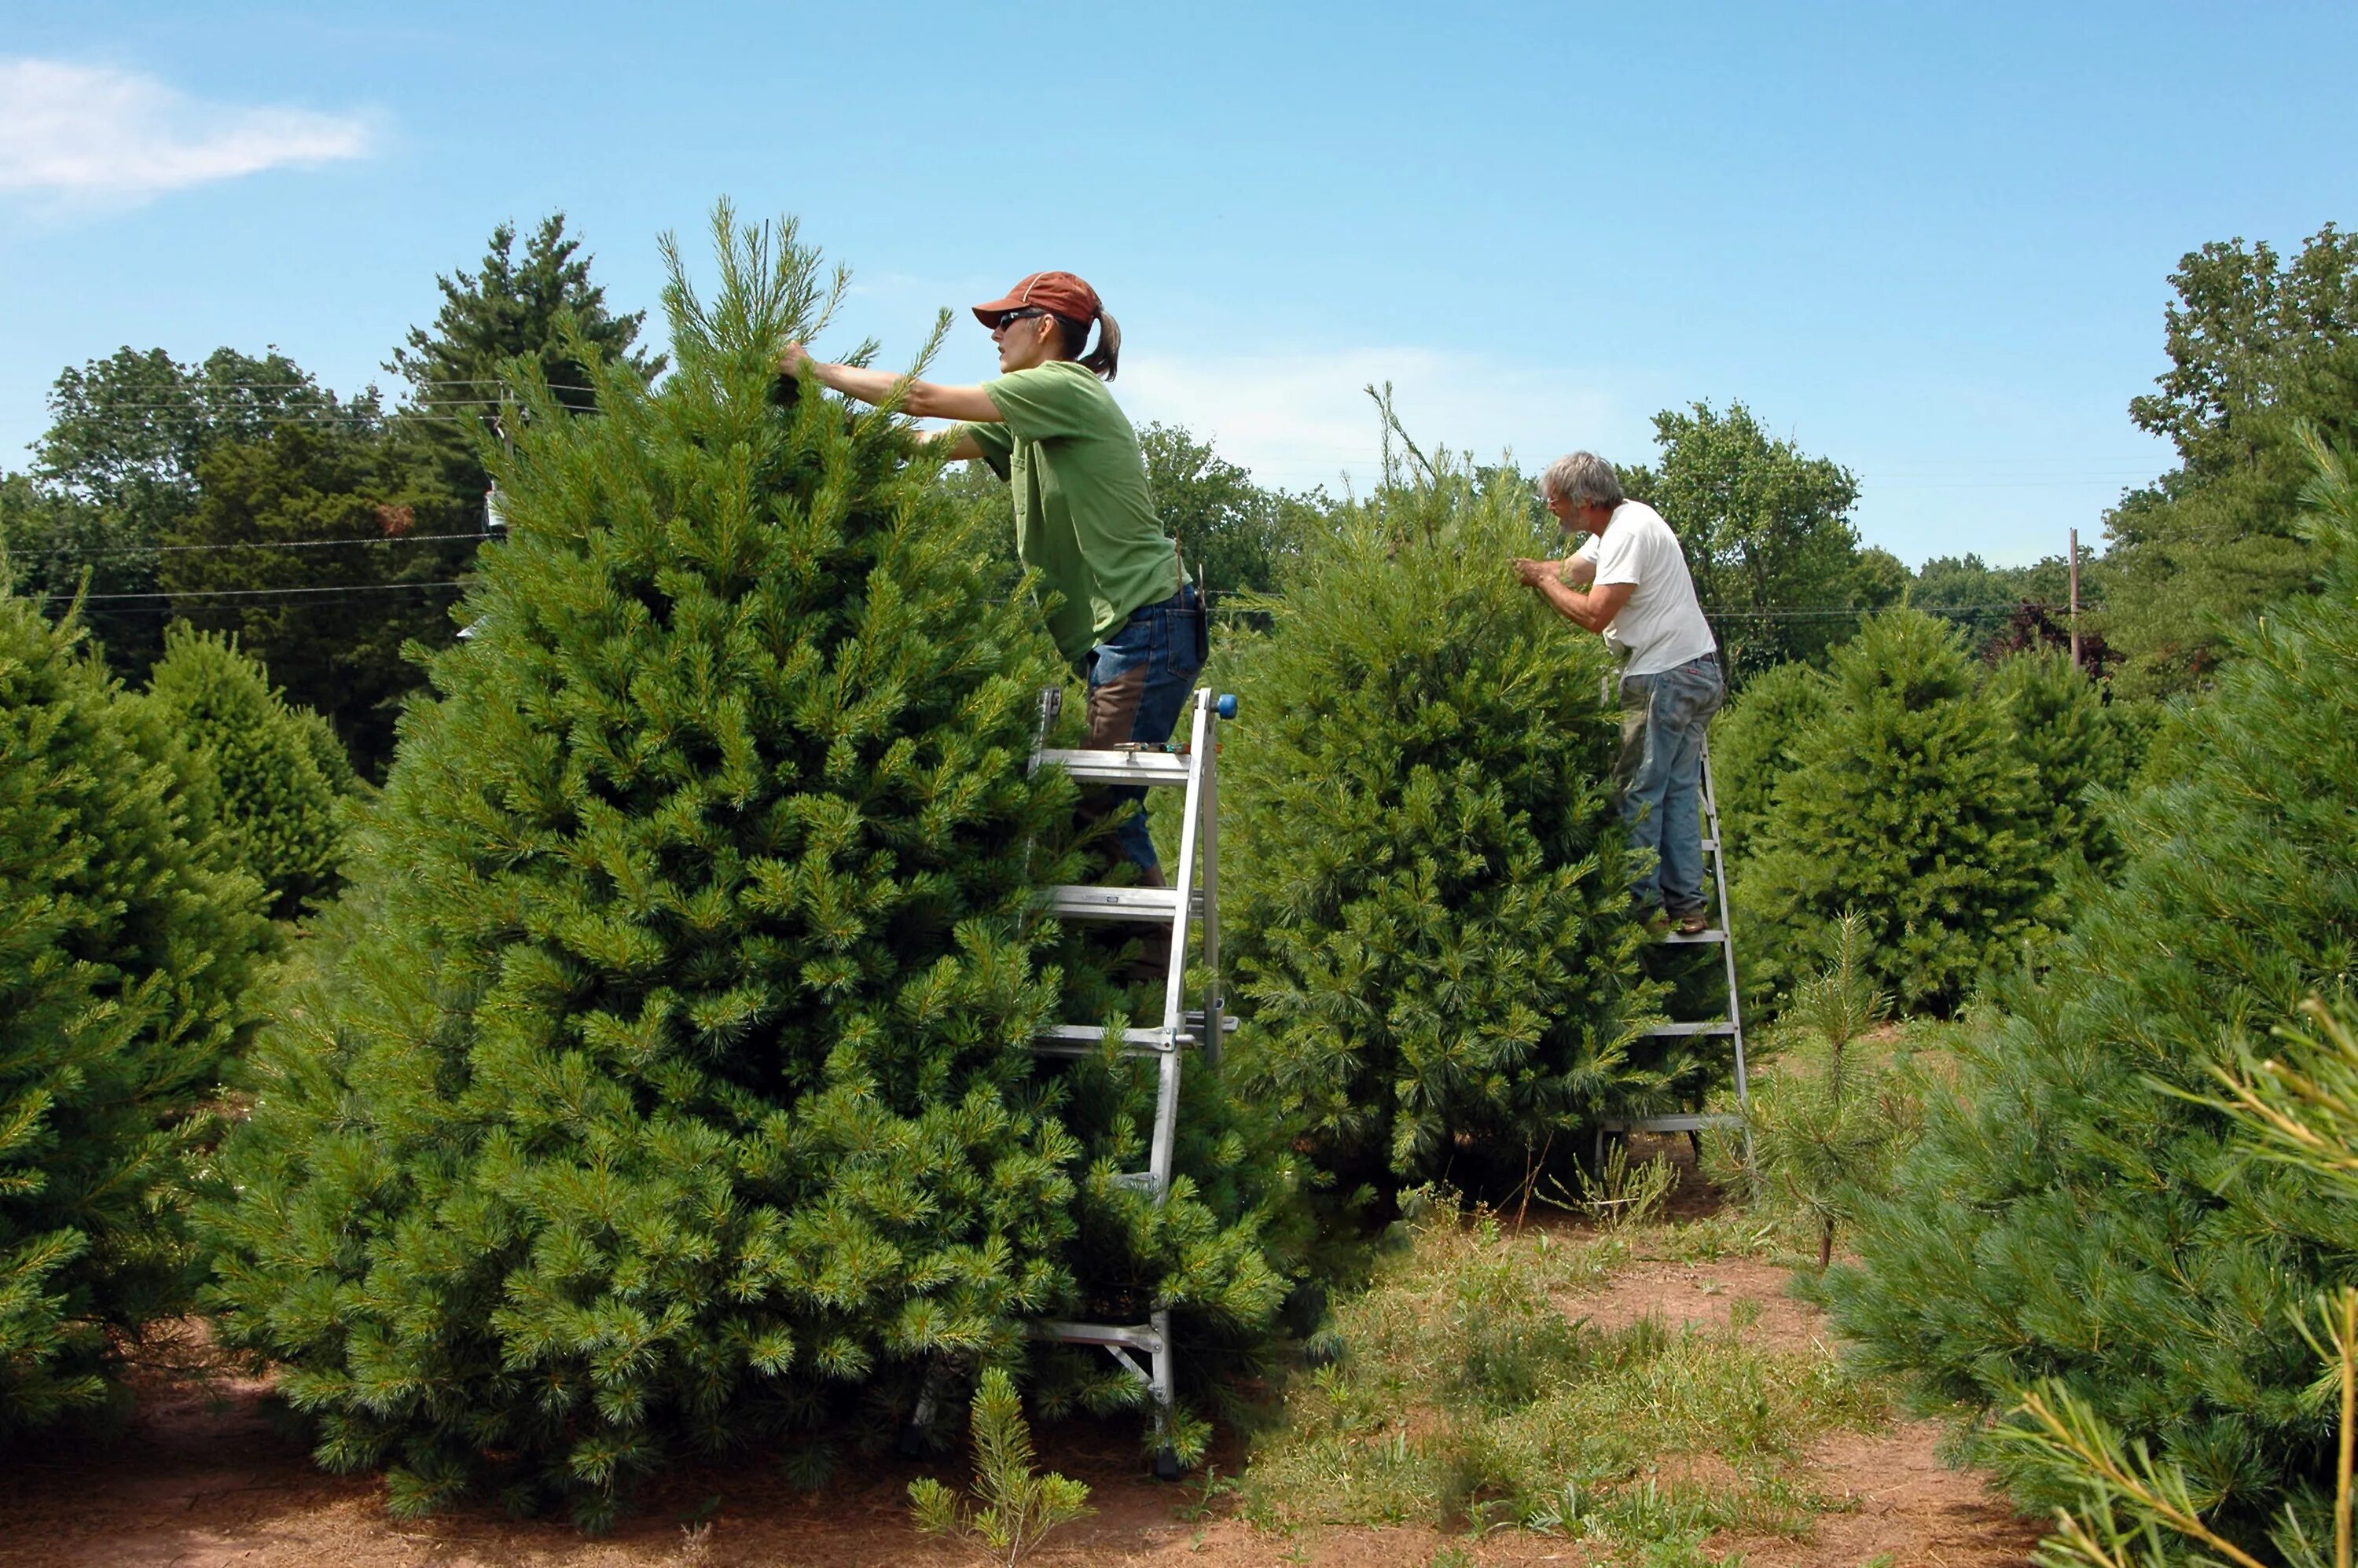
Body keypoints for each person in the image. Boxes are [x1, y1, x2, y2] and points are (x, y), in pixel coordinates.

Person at [778, 270, 1201, 897]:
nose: (995, 336)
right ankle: (1127, 975)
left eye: (1005, 322)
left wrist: (810, 368)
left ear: (1045, 328)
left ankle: (1140, 982)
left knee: (1100, 810)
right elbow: (924, 441)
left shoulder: (1063, 388)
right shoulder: (1030, 412)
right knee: (1098, 807)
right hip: (1129, 631)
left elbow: (921, 397)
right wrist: (826, 421)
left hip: (1147, 623)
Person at [1513, 451, 1724, 935]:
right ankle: (1688, 908)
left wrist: (1543, 583)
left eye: (1556, 498)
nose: (1550, 506)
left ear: (1585, 501)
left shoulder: (1626, 535)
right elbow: (1571, 569)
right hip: (1699, 672)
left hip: (1664, 677)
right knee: (1673, 794)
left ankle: (1641, 914)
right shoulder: (1624, 523)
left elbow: (1594, 615)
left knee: (1638, 794)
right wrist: (1527, 570)